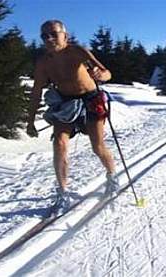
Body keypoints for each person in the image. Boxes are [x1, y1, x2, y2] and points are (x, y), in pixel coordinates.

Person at [26, 20, 120, 215]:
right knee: (59, 144)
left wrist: (100, 75)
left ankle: (112, 176)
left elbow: (107, 73)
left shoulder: (77, 51)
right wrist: (30, 121)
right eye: (44, 36)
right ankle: (62, 193)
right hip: (66, 104)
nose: (49, 39)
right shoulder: (44, 62)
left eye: (53, 34)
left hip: (91, 99)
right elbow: (36, 92)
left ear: (65, 36)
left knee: (98, 146)